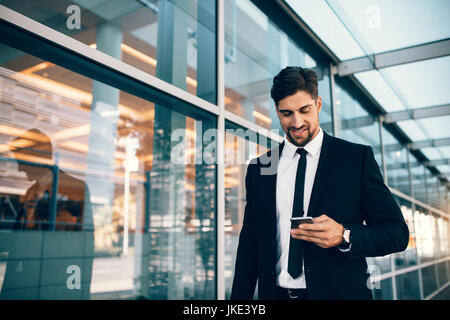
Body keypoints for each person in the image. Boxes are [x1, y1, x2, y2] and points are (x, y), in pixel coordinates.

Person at [231, 66, 409, 300]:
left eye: (304, 110)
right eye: (287, 114)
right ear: (276, 111)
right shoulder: (260, 168)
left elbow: (397, 234)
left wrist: (345, 236)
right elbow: (249, 246)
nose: (296, 122)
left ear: (318, 105)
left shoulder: (355, 159)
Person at [0, 128, 94, 299]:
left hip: (53, 282)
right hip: (24, 281)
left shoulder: (75, 189)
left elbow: (83, 246)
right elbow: (20, 237)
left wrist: (77, 290)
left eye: (21, 161)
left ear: (39, 156)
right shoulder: (30, 192)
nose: (20, 168)